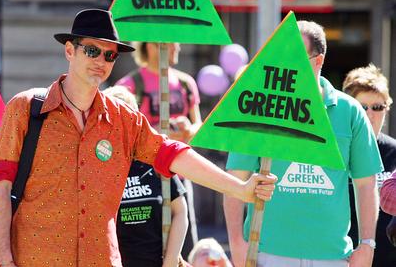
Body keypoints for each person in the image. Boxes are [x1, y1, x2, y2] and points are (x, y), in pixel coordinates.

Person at [0, 8, 276, 266]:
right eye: (91, 50)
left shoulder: (123, 119)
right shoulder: (25, 109)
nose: (101, 60)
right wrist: (3, 258)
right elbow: (0, 185)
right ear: (69, 50)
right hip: (35, 258)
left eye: (110, 54)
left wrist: (239, 189)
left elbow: (172, 153)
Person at [224, 20, 382, 267]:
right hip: (266, 255)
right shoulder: (261, 108)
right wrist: (236, 242)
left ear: (318, 61)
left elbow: (365, 183)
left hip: (332, 257)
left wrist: (367, 244)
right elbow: (234, 179)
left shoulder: (350, 111)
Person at [116, 41, 202, 255]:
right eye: (172, 44)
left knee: (185, 246)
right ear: (152, 46)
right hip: (145, 182)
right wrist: (159, 132)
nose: (178, 48)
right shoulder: (130, 84)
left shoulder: (186, 83)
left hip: (181, 179)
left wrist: (188, 129)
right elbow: (122, 130)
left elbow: (199, 125)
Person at [105, 85, 189, 267]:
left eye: (126, 119)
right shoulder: (98, 167)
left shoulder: (154, 159)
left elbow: (180, 211)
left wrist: (172, 259)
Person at [343, 64, 396, 267]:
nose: (370, 114)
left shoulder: (393, 151)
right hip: (343, 257)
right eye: (362, 107)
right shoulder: (334, 152)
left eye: (378, 107)